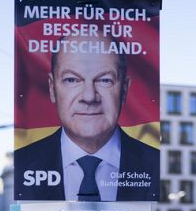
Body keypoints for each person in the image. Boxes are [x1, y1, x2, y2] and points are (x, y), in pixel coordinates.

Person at [14, 34, 159, 202]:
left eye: (105, 80)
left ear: (124, 89)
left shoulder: (155, 165)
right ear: (52, 88)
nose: (89, 97)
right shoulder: (23, 164)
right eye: (72, 80)